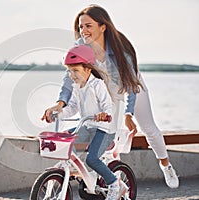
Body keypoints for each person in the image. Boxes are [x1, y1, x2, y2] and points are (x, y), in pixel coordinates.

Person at [42, 5, 179, 188]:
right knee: (106, 130)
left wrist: (128, 114)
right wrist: (59, 104)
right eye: (81, 26)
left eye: (89, 26)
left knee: (149, 128)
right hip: (104, 89)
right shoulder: (79, 47)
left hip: (130, 85)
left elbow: (130, 85)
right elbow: (69, 79)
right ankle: (113, 178)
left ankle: (166, 165)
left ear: (103, 27)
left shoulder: (119, 49)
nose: (83, 31)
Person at [55, 44, 126, 199]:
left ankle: (114, 184)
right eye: (69, 71)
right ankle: (77, 170)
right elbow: (72, 107)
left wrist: (104, 114)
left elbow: (108, 106)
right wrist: (58, 113)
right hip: (87, 126)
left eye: (75, 70)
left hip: (104, 129)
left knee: (92, 158)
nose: (72, 75)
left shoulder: (97, 85)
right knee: (65, 139)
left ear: (87, 69)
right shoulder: (77, 86)